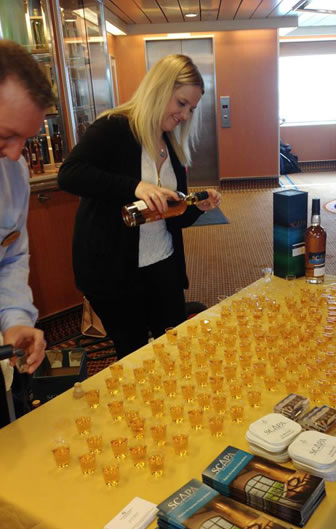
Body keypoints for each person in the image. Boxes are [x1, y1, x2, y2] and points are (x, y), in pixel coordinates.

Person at [58, 54, 221, 359]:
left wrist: (198, 206)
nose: (185, 115)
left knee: (172, 350)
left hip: (163, 262)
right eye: (181, 103)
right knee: (133, 356)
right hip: (115, 270)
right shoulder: (113, 127)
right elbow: (69, 174)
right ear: (160, 89)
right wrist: (135, 187)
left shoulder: (169, 142)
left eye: (191, 109)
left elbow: (172, 215)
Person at [0, 40, 53, 425]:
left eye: (26, 139)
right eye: (6, 136)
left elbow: (12, 256)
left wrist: (16, 319)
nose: (17, 155)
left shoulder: (12, 173)